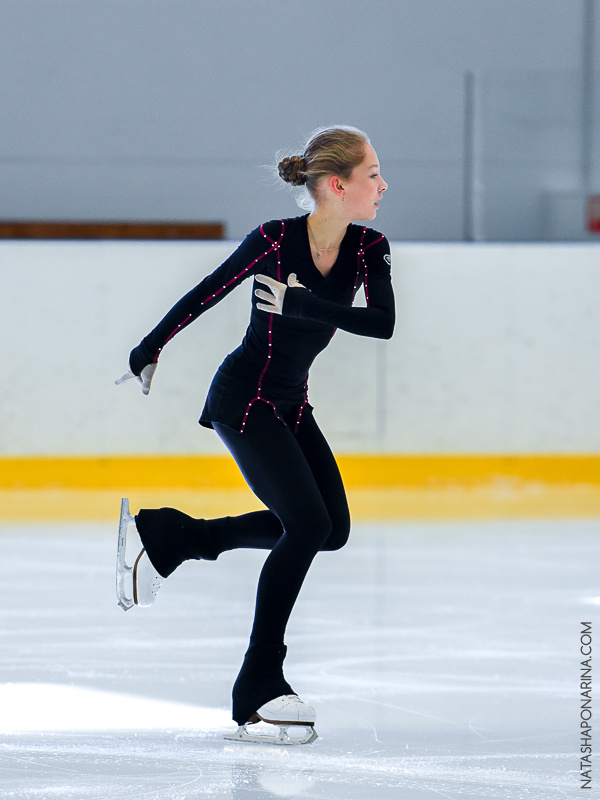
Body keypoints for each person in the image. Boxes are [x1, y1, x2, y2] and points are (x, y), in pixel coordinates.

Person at [116, 125, 394, 745]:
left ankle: (171, 536)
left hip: (291, 405)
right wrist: (150, 347)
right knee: (308, 526)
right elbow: (208, 291)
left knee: (332, 530)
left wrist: (302, 306)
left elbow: (382, 324)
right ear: (336, 185)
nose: (383, 185)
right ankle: (260, 680)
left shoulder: (369, 246)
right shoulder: (273, 241)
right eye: (373, 174)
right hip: (245, 398)